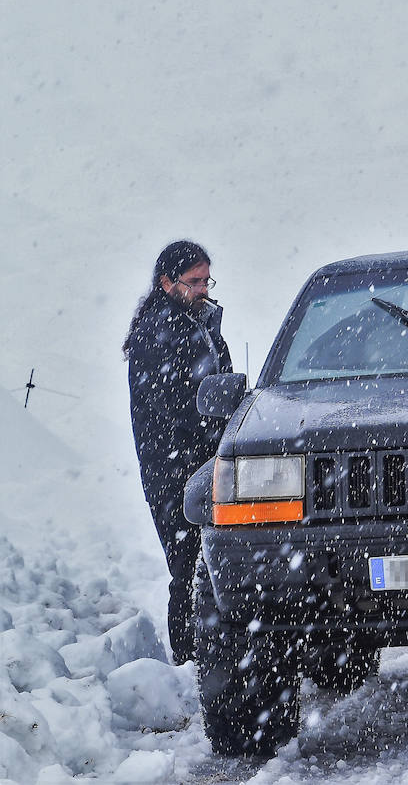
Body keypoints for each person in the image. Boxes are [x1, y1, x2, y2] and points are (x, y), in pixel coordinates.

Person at [124, 241, 233, 664]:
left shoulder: (195, 321)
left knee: (206, 559)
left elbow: (215, 380)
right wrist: (220, 423)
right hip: (173, 468)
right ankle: (187, 662)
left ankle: (203, 656)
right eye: (195, 281)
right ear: (167, 282)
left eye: (207, 280)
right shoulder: (157, 331)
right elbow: (179, 405)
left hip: (201, 462)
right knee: (188, 562)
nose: (204, 288)